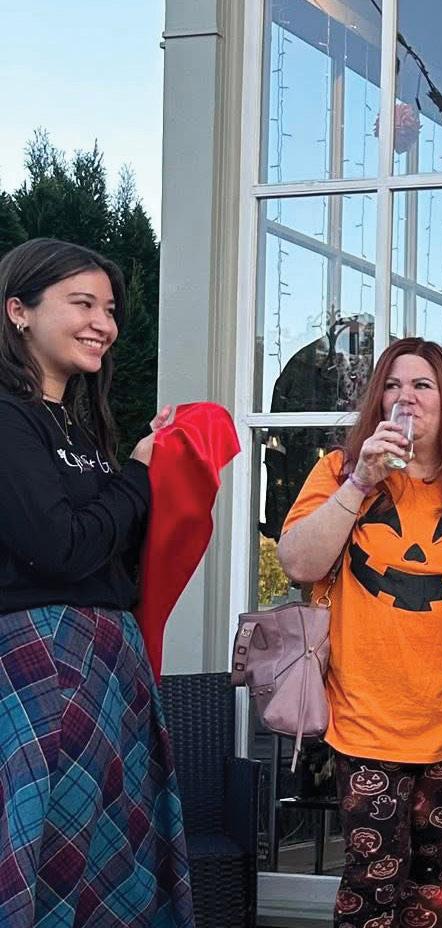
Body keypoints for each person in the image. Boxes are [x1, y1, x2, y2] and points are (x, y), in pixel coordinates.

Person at [278, 337, 442, 928]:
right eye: (393, 385)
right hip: (367, 718)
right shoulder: (340, 472)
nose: (406, 397)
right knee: (371, 879)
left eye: (422, 385)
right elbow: (299, 563)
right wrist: (360, 482)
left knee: (436, 884)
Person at [0, 238, 190, 926]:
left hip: (108, 667)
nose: (102, 325)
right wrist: (137, 476)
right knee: (53, 858)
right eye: (82, 304)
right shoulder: (8, 417)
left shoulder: (77, 427)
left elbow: (113, 547)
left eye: (108, 310)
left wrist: (157, 465)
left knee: (107, 873)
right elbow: (61, 547)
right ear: (18, 311)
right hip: (43, 665)